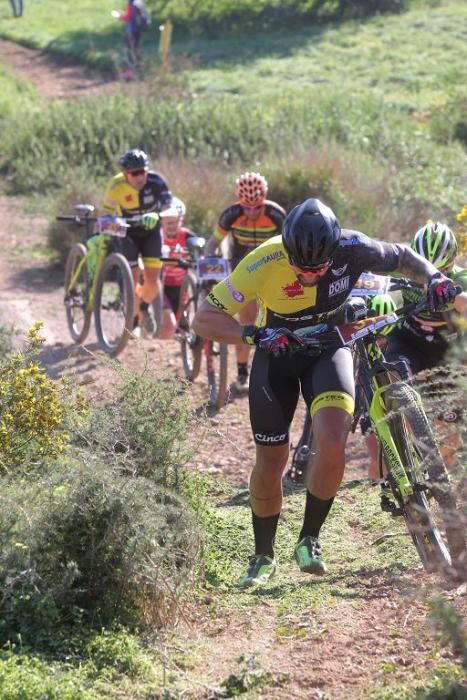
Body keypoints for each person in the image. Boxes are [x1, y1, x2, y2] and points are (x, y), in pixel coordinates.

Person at [192, 198, 459, 586]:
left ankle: (309, 539)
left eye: (318, 268)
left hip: (330, 348)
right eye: (301, 267)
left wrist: (434, 278)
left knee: (332, 438)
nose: (309, 275)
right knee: (272, 459)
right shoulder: (263, 261)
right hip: (277, 354)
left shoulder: (352, 247)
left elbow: (402, 256)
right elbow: (204, 318)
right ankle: (263, 552)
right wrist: (255, 334)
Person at [384, 222, 467, 467]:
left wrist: (455, 296)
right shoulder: (403, 269)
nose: (433, 277)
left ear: (453, 263)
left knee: (449, 430)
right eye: (428, 270)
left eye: (443, 270)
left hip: (446, 348)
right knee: (396, 378)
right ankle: (413, 447)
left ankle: (449, 485)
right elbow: (373, 284)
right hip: (409, 340)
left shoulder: (461, 277)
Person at [204, 172, 286, 393]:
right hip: (243, 271)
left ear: (264, 200)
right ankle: (242, 371)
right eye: (246, 208)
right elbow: (213, 243)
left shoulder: (276, 214)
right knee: (247, 321)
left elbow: (290, 246)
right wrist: (210, 260)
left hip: (270, 270)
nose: (250, 212)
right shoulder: (231, 213)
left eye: (256, 208)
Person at [101, 148, 172, 337]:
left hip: (151, 232)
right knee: (131, 278)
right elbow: (106, 211)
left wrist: (158, 214)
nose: (140, 177)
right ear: (125, 174)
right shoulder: (115, 186)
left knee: (152, 280)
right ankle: (132, 321)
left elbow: (170, 209)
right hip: (128, 233)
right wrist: (112, 221)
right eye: (135, 173)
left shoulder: (157, 182)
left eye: (143, 171)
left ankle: (144, 307)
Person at [159, 197, 199, 340]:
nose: (172, 226)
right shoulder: (156, 238)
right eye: (168, 223)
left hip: (182, 287)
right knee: (168, 326)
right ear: (162, 223)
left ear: (181, 221)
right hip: (161, 286)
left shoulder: (188, 236)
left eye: (175, 222)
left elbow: (199, 254)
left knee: (183, 328)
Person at [113, 0, 150, 80]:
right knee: (135, 49)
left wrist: (119, 16)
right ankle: (140, 70)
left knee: (130, 50)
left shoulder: (131, 4)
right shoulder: (138, 3)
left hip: (132, 31)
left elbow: (128, 17)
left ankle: (131, 72)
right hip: (138, 31)